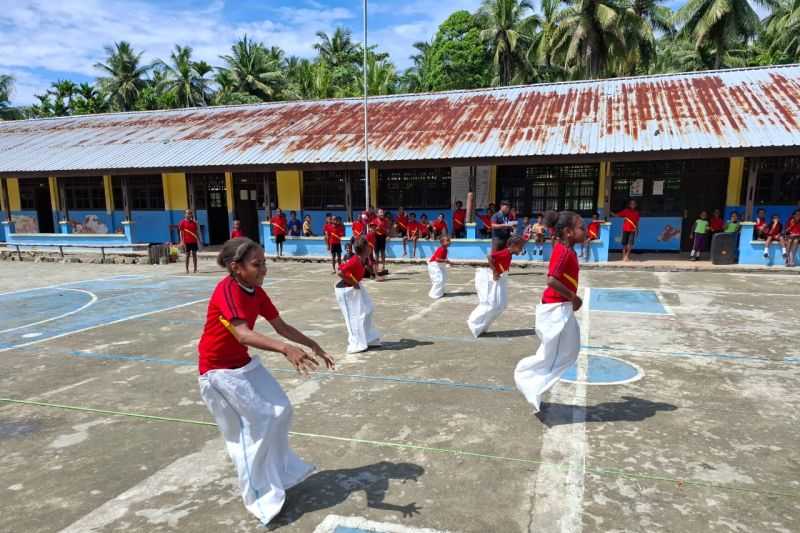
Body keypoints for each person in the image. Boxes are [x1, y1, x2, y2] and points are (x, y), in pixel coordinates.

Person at [197, 237, 334, 526]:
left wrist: (313, 345)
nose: (264, 270)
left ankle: (279, 474)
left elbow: (280, 325)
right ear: (236, 267)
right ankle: (258, 495)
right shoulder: (227, 290)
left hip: (243, 364)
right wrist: (285, 349)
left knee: (281, 410)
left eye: (265, 264)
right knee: (257, 425)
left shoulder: (256, 291)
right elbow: (243, 334)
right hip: (217, 371)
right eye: (257, 265)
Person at [514, 210, 585, 413]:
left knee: (567, 351)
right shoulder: (563, 251)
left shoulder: (566, 249)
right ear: (569, 232)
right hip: (555, 309)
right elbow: (551, 280)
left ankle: (532, 385)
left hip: (560, 307)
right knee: (552, 356)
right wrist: (574, 297)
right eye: (582, 228)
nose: (586, 231)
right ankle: (527, 380)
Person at [467, 236, 526, 337]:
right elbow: (490, 257)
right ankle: (473, 322)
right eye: (520, 247)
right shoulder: (506, 252)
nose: (521, 250)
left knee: (501, 304)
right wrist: (495, 271)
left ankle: (482, 326)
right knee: (491, 303)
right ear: (513, 245)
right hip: (493, 278)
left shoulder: (509, 254)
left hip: (500, 278)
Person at [335, 236, 382, 353]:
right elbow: (340, 272)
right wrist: (354, 282)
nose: (371, 248)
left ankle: (368, 338)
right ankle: (355, 343)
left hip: (355, 286)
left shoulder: (363, 259)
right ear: (364, 248)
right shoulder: (355, 260)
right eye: (368, 246)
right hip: (345, 290)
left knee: (368, 309)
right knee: (353, 317)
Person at [178, 209, 200, 274]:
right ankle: (187, 269)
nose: (189, 215)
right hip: (186, 242)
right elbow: (181, 233)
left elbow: (196, 232)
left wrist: (198, 240)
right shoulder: (182, 222)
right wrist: (182, 241)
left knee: (194, 255)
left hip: (194, 241)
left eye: (190, 213)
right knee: (187, 255)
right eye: (188, 213)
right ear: (185, 214)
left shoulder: (194, 223)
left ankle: (195, 269)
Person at [371, 209, 391, 275]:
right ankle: (376, 267)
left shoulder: (385, 221)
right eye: (380, 212)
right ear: (377, 214)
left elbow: (387, 229)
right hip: (376, 237)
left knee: (382, 252)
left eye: (382, 212)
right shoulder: (374, 221)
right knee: (376, 254)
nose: (382, 213)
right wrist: (377, 228)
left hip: (382, 237)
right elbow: (372, 230)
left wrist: (387, 236)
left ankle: (383, 266)